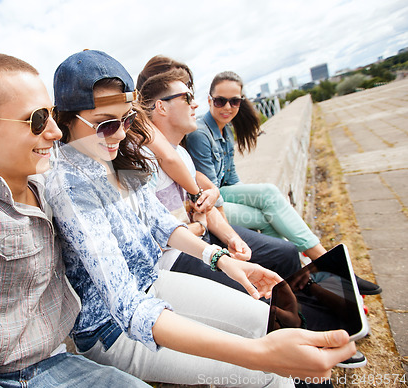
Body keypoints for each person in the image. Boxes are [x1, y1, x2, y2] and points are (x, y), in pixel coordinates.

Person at [46, 49, 355, 386]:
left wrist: (222, 259)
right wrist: (260, 356)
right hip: (113, 329)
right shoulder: (70, 186)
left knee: (267, 320)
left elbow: (160, 222)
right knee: (269, 373)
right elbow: (127, 306)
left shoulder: (111, 153)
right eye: (106, 123)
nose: (120, 133)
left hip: (155, 284)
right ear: (66, 119)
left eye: (127, 120)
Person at [0, 51, 149, 388]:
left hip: (55, 364)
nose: (54, 132)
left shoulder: (49, 186)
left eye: (52, 115)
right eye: (37, 120)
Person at [185, 70, 381, 296]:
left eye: (235, 101)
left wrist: (259, 201)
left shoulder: (225, 130)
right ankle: (324, 264)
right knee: (268, 202)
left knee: (269, 207)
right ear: (209, 100)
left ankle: (295, 280)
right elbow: (212, 190)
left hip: (224, 195)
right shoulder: (201, 133)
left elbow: (232, 180)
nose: (227, 107)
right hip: (211, 206)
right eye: (220, 101)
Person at [140, 68, 301, 288]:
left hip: (203, 241)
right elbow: (148, 239)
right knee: (258, 293)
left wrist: (232, 238)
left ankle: (305, 306)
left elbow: (206, 208)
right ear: (161, 106)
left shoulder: (181, 154)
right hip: (177, 257)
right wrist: (201, 228)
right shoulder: (145, 162)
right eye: (186, 98)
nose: (195, 105)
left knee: (286, 253)